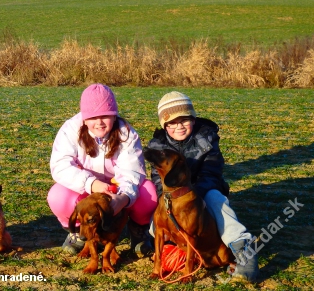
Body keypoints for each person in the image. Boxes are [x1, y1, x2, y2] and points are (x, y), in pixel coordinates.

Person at [147, 91, 259, 282]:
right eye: (171, 122)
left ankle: (243, 248)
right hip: (173, 196)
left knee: (217, 202)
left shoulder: (206, 139)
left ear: (193, 118)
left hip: (203, 191)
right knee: (154, 226)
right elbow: (158, 179)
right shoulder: (158, 145)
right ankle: (164, 247)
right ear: (164, 125)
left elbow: (211, 172)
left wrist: (193, 197)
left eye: (184, 120)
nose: (179, 126)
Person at [48, 84, 158, 256]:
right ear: (84, 118)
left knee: (148, 193)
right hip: (85, 189)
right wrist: (91, 183)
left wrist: (123, 198)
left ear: (114, 116)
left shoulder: (126, 133)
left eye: (106, 116)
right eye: (93, 117)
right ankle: (79, 232)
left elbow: (132, 171)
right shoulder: (70, 129)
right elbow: (60, 165)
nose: (99, 122)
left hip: (117, 189)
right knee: (58, 196)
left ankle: (138, 231)